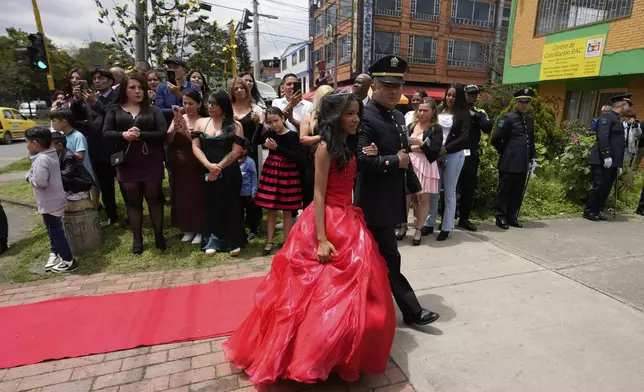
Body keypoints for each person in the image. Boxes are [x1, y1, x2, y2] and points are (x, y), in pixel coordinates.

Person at [223, 93, 396, 388]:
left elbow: (357, 172)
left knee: (353, 294)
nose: (356, 119)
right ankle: (311, 354)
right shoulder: (325, 148)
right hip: (325, 221)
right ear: (335, 117)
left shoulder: (348, 144)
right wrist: (321, 239)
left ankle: (338, 355)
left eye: (357, 114)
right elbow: (317, 195)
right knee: (310, 295)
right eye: (349, 114)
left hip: (349, 221)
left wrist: (370, 153)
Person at [355, 55, 440, 326]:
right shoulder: (363, 116)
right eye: (387, 86)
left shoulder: (395, 116)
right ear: (374, 87)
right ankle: (411, 311)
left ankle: (368, 309)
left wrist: (414, 187)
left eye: (398, 86)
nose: (394, 92)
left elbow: (403, 155)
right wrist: (393, 161)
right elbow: (360, 160)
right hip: (372, 200)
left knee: (377, 258)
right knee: (388, 256)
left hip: (391, 199)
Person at [103, 72, 168, 254]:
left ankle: (158, 234)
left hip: (151, 161)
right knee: (133, 202)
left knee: (154, 199)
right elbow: (106, 134)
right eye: (132, 87)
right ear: (124, 89)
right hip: (126, 163)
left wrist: (141, 134)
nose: (138, 91)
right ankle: (137, 238)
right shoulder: (114, 110)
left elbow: (162, 133)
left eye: (140, 87)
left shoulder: (153, 110)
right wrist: (123, 134)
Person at [192, 89, 248, 256]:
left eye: (214, 104)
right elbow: (195, 147)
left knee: (231, 205)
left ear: (223, 106)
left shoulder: (236, 125)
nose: (210, 106)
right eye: (209, 103)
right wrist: (209, 166)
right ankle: (212, 240)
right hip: (206, 170)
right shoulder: (200, 123)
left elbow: (236, 151)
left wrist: (218, 167)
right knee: (211, 205)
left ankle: (233, 241)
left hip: (229, 171)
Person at [24, 127, 78, 273]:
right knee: (53, 229)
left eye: (27, 141)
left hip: (49, 202)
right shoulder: (50, 153)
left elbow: (41, 182)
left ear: (35, 143)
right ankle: (57, 254)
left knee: (55, 232)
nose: (26, 144)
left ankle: (68, 260)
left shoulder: (41, 159)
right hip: (55, 198)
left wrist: (29, 177)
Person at [425, 84, 471, 241]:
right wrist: (434, 151)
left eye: (454, 96)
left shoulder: (463, 114)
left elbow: (465, 137)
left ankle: (447, 226)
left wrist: (446, 149)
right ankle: (429, 223)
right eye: (448, 95)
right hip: (436, 155)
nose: (450, 98)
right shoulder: (439, 111)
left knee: (449, 191)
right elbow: (431, 130)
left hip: (453, 155)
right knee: (434, 191)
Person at [255, 107, 303, 255]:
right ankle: (269, 241)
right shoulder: (269, 133)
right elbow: (255, 140)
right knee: (272, 208)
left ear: (283, 118)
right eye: (270, 122)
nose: (274, 125)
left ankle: (287, 241)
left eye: (276, 120)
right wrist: (261, 123)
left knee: (287, 210)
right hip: (272, 172)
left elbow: (296, 156)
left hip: (288, 173)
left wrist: (277, 148)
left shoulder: (293, 135)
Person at [491, 88, 537, 229]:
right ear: (516, 102)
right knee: (504, 191)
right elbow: (495, 139)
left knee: (517, 191)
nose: (524, 105)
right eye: (521, 102)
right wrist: (505, 152)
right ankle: (500, 217)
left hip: (522, 162)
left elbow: (531, 140)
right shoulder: (507, 119)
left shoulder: (529, 120)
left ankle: (512, 216)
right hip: (509, 162)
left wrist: (533, 158)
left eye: (527, 102)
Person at [584, 94, 631, 221]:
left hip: (612, 162)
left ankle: (597, 210)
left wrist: (618, 164)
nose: (629, 109)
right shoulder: (607, 116)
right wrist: (607, 156)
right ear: (622, 105)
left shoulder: (617, 119)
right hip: (601, 159)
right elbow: (603, 137)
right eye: (628, 106)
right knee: (598, 186)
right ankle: (589, 211)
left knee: (606, 187)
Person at [167, 90, 205, 245]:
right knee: (182, 195)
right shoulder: (179, 118)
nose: (187, 106)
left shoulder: (203, 120)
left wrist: (186, 132)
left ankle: (200, 229)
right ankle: (187, 228)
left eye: (191, 103)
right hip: (178, 161)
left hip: (196, 161)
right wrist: (174, 129)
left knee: (197, 196)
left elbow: (202, 144)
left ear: (199, 104)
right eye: (185, 103)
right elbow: (168, 140)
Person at [229, 77, 264, 236]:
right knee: (234, 186)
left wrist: (258, 123)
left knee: (251, 187)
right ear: (232, 91)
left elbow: (262, 134)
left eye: (242, 87)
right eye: (236, 88)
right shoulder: (227, 109)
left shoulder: (255, 109)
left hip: (251, 153)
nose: (240, 90)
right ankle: (236, 221)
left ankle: (253, 223)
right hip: (232, 153)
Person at [404, 98, 441, 245]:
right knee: (406, 197)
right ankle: (403, 226)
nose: (422, 113)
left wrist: (420, 144)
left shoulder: (435, 129)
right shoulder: (411, 126)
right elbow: (403, 146)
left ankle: (419, 229)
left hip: (426, 166)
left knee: (422, 200)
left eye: (426, 110)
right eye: (420, 110)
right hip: (410, 164)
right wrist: (419, 147)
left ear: (432, 113)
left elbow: (434, 152)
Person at [457, 84, 493, 232]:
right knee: (450, 188)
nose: (472, 96)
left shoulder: (480, 113)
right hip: (454, 153)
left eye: (475, 94)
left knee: (469, 188)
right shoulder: (455, 110)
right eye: (469, 94)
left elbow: (488, 127)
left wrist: (475, 115)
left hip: (471, 155)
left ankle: (464, 219)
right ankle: (447, 219)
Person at [299, 85, 334, 209]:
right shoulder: (310, 117)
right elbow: (303, 138)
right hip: (311, 160)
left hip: (333, 160)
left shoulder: (336, 116)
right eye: (326, 97)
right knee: (310, 195)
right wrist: (321, 137)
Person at [50, 109, 96, 182]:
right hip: (72, 175)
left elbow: (80, 156)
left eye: (54, 121)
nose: (52, 124)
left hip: (82, 177)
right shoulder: (63, 136)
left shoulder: (77, 136)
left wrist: (61, 153)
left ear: (64, 122)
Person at [155, 56, 200, 124]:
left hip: (189, 125)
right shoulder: (161, 87)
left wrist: (179, 95)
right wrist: (180, 110)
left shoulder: (194, 87)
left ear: (184, 70)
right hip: (167, 126)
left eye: (176, 67)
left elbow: (196, 108)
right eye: (170, 67)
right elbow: (159, 110)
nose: (172, 70)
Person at [51, 132, 94, 201]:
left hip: (85, 183)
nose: (49, 149)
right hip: (76, 179)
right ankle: (71, 191)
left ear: (59, 145)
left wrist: (54, 171)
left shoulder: (69, 156)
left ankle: (81, 192)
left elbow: (68, 173)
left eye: (50, 146)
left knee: (60, 178)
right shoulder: (60, 153)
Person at [238, 138, 259, 240]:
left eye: (244, 149)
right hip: (237, 193)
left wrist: (253, 192)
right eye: (239, 148)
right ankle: (241, 230)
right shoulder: (232, 161)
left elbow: (254, 177)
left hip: (248, 193)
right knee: (239, 212)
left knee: (251, 213)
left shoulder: (250, 162)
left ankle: (253, 230)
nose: (241, 151)